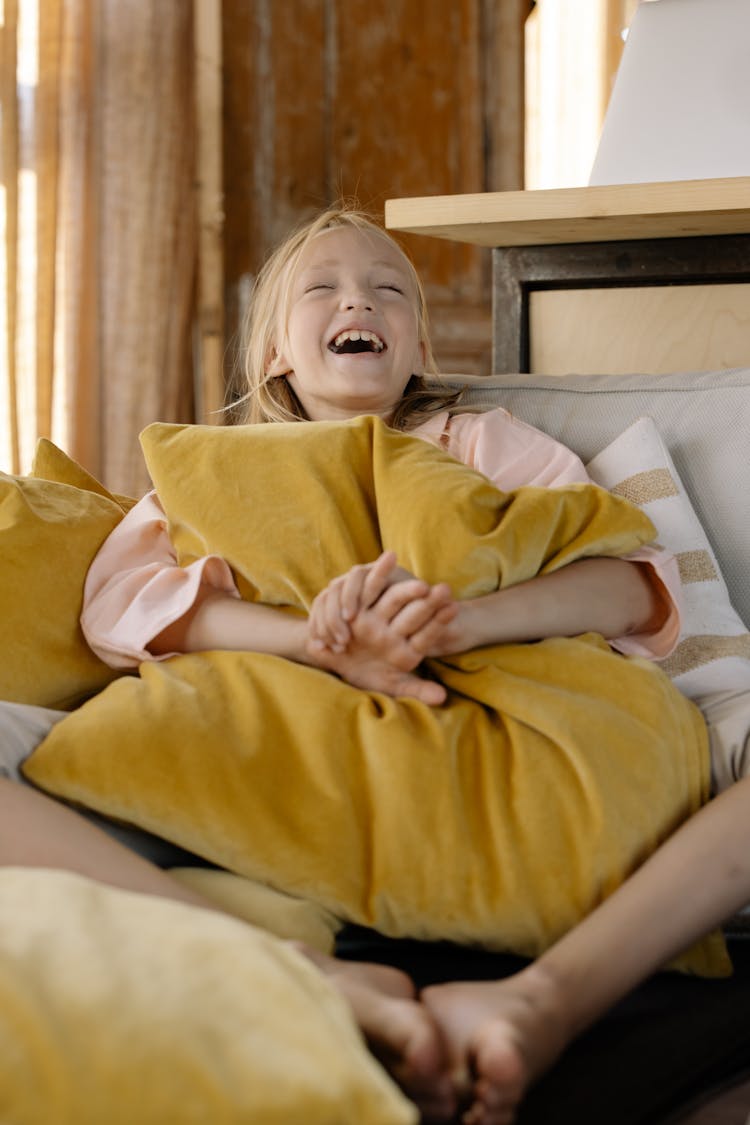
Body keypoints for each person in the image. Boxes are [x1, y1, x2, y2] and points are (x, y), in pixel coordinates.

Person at [13, 204, 749, 1125]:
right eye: (322, 288)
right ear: (276, 352)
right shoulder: (219, 468)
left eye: (389, 288)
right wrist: (312, 640)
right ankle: (324, 977)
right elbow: (126, 605)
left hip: (491, 704)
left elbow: (634, 585)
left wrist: (459, 621)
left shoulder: (478, 441)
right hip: (296, 718)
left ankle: (540, 994)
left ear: (414, 341)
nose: (358, 298)